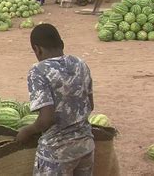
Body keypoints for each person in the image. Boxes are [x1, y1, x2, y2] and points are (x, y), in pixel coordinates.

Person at [16, 23, 95, 176]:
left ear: (37, 49)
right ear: (62, 44)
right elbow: (90, 105)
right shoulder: (81, 64)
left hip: (56, 153)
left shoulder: (38, 71)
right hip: (86, 146)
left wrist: (28, 130)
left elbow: (47, 119)